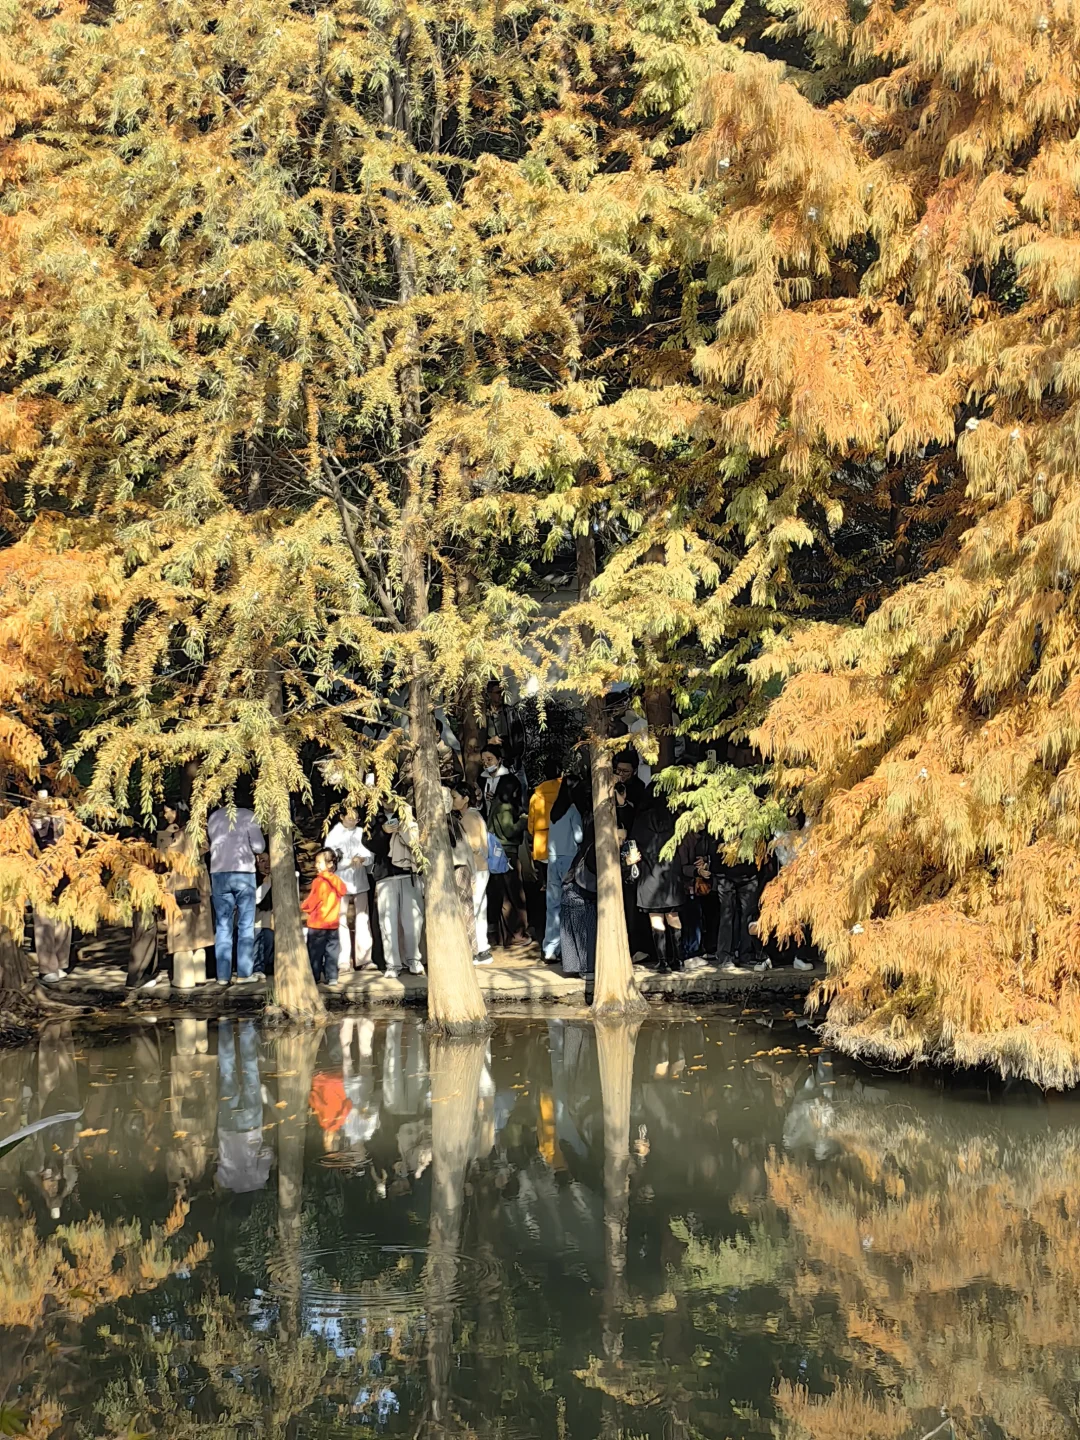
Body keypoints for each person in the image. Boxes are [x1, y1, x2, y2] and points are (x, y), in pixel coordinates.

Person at [629, 787, 703, 973]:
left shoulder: (639, 821)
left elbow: (633, 846)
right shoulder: (674, 821)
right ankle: (678, 960)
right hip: (671, 877)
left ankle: (662, 962)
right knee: (674, 916)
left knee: (656, 918)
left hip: (649, 876)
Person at [207, 796, 266, 984]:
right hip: (243, 872)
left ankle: (223, 976)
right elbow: (259, 846)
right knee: (245, 924)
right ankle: (244, 973)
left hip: (218, 873)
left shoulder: (214, 817)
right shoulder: (248, 815)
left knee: (223, 925)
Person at [157, 803, 213, 989]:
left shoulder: (177, 835)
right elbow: (205, 849)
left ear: (177, 811)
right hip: (199, 883)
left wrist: (165, 834)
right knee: (198, 930)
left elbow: (162, 857)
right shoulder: (198, 831)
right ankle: (199, 974)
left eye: (169, 811)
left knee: (180, 931)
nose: (166, 815)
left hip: (180, 883)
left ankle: (184, 978)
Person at [368, 803, 425, 977]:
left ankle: (414, 960)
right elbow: (369, 843)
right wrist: (383, 832)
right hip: (384, 875)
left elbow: (418, 841)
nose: (388, 801)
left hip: (407, 872)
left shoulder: (409, 815)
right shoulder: (373, 818)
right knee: (387, 922)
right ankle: (392, 964)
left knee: (413, 920)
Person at [324, 808, 375, 973]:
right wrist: (347, 861)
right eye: (350, 817)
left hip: (360, 880)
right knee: (341, 920)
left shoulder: (362, 831)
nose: (353, 821)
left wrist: (363, 859)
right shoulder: (334, 834)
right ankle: (343, 961)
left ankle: (365, 959)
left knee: (362, 918)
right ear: (342, 817)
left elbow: (370, 855)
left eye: (356, 818)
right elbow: (329, 856)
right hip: (340, 880)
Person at [30, 791, 71, 983]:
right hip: (40, 879)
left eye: (46, 801)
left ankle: (62, 962)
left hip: (63, 877)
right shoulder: (26, 827)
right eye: (39, 801)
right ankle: (46, 967)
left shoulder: (60, 821)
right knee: (44, 923)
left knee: (64, 922)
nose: (43, 805)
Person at [543, 776, 584, 964]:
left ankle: (550, 948)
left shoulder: (554, 811)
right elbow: (579, 837)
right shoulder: (573, 810)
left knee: (552, 906)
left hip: (552, 859)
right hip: (569, 860)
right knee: (570, 905)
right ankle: (572, 949)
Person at [488, 773, 530, 948]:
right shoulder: (505, 808)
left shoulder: (495, 804)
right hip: (507, 855)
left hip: (495, 856)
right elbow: (510, 831)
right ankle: (517, 935)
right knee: (514, 897)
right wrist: (523, 820)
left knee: (502, 897)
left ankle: (503, 936)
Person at [458, 782, 493, 965]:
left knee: (474, 908)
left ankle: (477, 949)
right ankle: (482, 948)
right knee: (479, 908)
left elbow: (473, 846)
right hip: (481, 867)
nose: (453, 800)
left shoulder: (468, 818)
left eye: (455, 797)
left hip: (476, 868)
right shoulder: (473, 815)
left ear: (465, 798)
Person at [302, 847, 348, 985]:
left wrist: (304, 907)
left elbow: (314, 900)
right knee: (332, 952)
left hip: (317, 924)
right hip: (332, 923)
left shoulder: (319, 881)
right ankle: (332, 977)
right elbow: (343, 890)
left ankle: (314, 977)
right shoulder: (337, 881)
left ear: (329, 864)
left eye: (319, 862)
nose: (316, 865)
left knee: (315, 952)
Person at [447, 784, 481, 960]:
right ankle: (471, 949)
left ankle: (468, 950)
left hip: (456, 870)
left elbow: (469, 849)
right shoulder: (455, 822)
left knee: (461, 911)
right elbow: (467, 850)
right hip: (463, 868)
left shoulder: (455, 822)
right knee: (466, 910)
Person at [560, 818, 597, 977]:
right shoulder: (596, 849)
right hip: (580, 894)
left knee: (571, 933)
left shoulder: (585, 847)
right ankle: (587, 969)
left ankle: (575, 967)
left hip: (569, 889)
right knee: (587, 933)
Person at [480, 741, 510, 814]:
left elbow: (513, 804)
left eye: (489, 759)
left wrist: (496, 800)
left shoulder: (510, 780)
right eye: (483, 761)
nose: (486, 763)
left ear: (499, 760)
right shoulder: (481, 779)